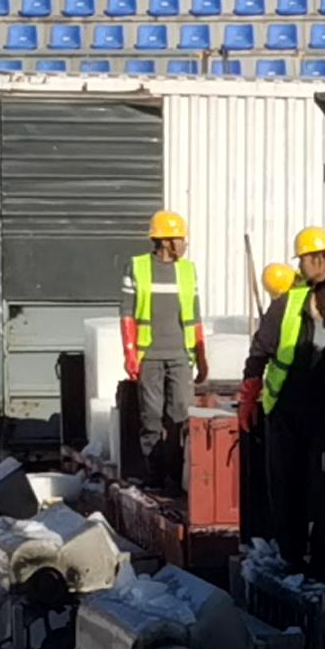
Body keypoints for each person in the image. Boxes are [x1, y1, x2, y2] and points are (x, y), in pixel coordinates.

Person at [242, 225, 325, 563]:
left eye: (305, 260)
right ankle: (292, 553)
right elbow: (260, 351)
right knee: (286, 485)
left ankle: (323, 556)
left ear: (318, 258)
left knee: (322, 486)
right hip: (286, 410)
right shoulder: (289, 303)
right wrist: (250, 392)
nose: (301, 267)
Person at [120, 208, 205, 492]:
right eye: (181, 238)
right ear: (167, 241)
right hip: (150, 356)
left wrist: (201, 357)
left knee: (180, 414)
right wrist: (130, 353)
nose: (185, 243)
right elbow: (127, 313)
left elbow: (194, 314)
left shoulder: (187, 271)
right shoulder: (137, 267)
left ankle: (176, 475)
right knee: (152, 417)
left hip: (181, 356)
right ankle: (155, 476)